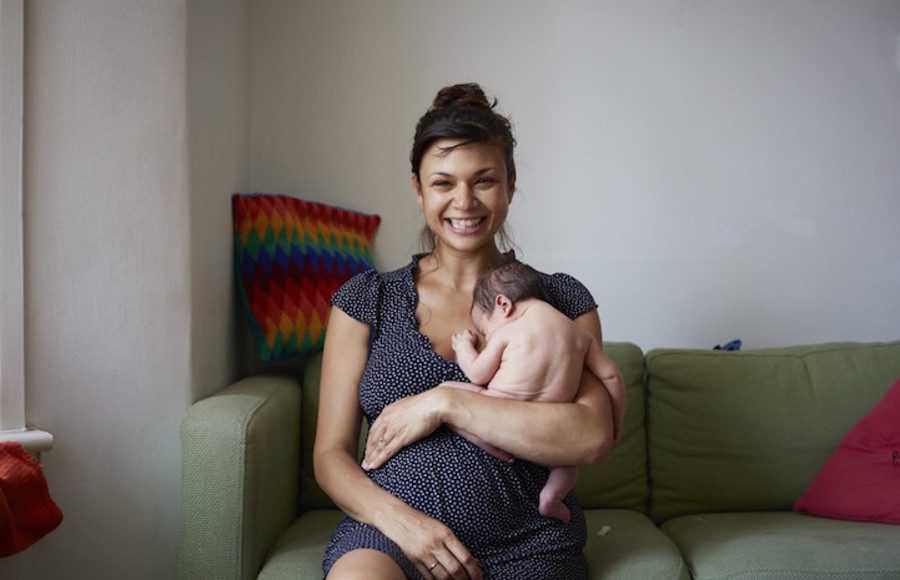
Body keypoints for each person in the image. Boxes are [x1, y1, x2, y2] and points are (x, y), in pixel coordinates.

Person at [314, 82, 617, 580]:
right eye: (442, 183)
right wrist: (406, 526)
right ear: (417, 187)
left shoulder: (559, 301)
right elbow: (329, 456)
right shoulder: (364, 301)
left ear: (511, 183)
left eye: (484, 180)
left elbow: (590, 437)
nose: (464, 201)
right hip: (390, 535)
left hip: (527, 542)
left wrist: (444, 403)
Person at [445, 261, 626, 524]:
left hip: (499, 409)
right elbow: (611, 375)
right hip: (549, 433)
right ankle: (551, 498)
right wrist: (616, 421)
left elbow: (476, 374)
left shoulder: (508, 332)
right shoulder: (579, 335)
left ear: (503, 305)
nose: (487, 334)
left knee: (446, 392)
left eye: (485, 328)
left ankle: (487, 443)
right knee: (566, 467)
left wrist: (464, 348)